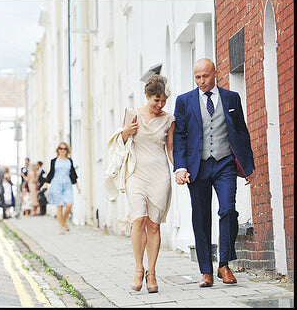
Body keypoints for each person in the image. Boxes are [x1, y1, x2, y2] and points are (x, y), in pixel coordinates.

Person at [173, 58, 255, 288]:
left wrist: (248, 166)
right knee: (201, 218)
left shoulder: (231, 98)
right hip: (197, 166)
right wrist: (180, 167)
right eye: (197, 77)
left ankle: (224, 264)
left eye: (205, 76)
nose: (201, 81)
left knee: (228, 209)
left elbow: (241, 131)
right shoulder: (184, 101)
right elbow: (179, 136)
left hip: (224, 163)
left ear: (216, 73)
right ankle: (205, 271)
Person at [108, 74, 175, 293]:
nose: (159, 104)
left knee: (154, 225)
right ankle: (138, 269)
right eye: (156, 100)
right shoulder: (133, 115)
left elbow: (171, 149)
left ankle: (152, 272)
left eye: (163, 100)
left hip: (159, 175)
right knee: (138, 220)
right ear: (147, 96)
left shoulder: (169, 119)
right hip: (135, 174)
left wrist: (180, 170)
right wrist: (125, 133)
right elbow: (121, 145)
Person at [41, 142, 81, 235]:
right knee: (59, 207)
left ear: (67, 150)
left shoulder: (69, 161)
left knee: (69, 205)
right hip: (56, 184)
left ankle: (64, 221)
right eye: (61, 148)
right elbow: (51, 173)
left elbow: (73, 174)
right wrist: (45, 184)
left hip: (67, 184)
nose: (63, 150)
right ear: (58, 150)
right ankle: (61, 228)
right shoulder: (54, 161)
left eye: (65, 149)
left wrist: (77, 186)